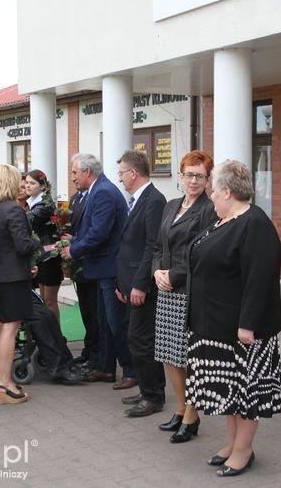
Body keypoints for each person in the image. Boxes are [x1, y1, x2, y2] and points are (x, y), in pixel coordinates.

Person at [185, 160, 281, 477]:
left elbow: (260, 279)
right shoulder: (225, 220)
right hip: (214, 324)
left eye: (213, 190)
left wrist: (248, 324)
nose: (210, 196)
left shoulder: (254, 224)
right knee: (229, 392)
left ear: (226, 191)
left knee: (245, 393)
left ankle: (243, 451)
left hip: (241, 330)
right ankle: (231, 444)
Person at [152, 150, 217, 442]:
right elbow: (157, 247)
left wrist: (172, 276)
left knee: (188, 356)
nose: (193, 180)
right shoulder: (170, 206)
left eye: (199, 176)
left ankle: (192, 415)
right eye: (189, 174)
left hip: (189, 291)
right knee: (169, 354)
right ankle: (180, 408)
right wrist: (156, 272)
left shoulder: (209, 210)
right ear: (180, 176)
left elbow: (202, 252)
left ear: (207, 179)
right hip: (165, 289)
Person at [60, 153, 132, 388]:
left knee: (115, 322)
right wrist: (74, 243)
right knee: (105, 323)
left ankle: (130, 371)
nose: (73, 178)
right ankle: (105, 368)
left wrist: (74, 250)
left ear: (87, 172)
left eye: (74, 173)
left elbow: (99, 233)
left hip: (109, 269)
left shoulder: (102, 192)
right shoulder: (97, 190)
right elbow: (91, 229)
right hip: (102, 269)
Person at [0, 164, 40, 404]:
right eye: (18, 179)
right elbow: (23, 246)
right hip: (13, 277)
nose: (22, 184)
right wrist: (38, 243)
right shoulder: (13, 211)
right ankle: (5, 383)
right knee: (10, 329)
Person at [115, 150, 167, 416]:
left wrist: (139, 285)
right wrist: (122, 283)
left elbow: (151, 246)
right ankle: (149, 388)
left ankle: (153, 396)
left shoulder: (154, 200)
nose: (120, 178)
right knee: (140, 339)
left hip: (143, 286)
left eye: (122, 172)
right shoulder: (137, 199)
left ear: (133, 173)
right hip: (130, 284)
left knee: (140, 339)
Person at [24, 169, 63, 325]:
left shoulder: (45, 204)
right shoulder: (33, 201)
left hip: (49, 257)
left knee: (49, 301)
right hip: (40, 256)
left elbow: (29, 219)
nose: (27, 186)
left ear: (42, 186)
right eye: (26, 182)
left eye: (32, 183)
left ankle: (57, 338)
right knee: (42, 301)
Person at [67, 186, 98, 368]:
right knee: (85, 310)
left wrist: (74, 245)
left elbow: (93, 232)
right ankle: (88, 349)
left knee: (94, 312)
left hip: (90, 261)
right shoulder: (75, 198)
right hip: (78, 263)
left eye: (75, 173)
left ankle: (95, 353)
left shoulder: (95, 196)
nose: (73, 177)